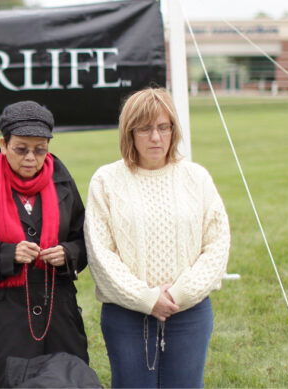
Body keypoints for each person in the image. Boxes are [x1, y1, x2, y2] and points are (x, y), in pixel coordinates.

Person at [84, 87, 231, 388]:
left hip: (188, 312)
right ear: (129, 132)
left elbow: (217, 244)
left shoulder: (196, 177)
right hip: (126, 315)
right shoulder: (106, 180)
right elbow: (100, 253)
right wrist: (147, 298)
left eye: (164, 127)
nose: (156, 137)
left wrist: (177, 295)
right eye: (146, 128)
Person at [0, 101, 90, 388]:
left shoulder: (63, 183)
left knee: (66, 381)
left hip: (58, 313)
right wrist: (5, 254)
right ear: (3, 144)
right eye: (21, 149)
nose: (31, 157)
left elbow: (84, 241)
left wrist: (68, 253)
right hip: (3, 317)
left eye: (40, 149)